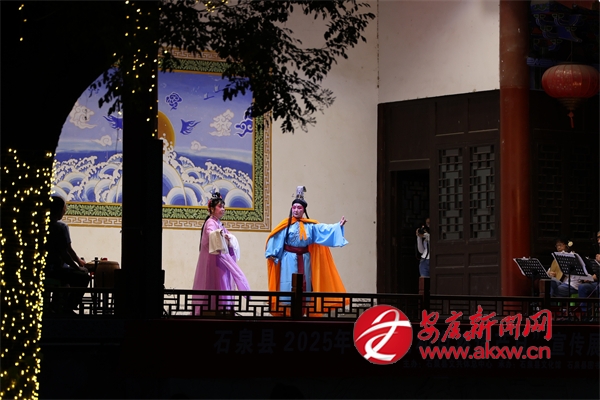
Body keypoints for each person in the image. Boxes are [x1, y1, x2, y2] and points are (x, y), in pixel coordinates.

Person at [265, 186, 348, 312]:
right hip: (288, 259)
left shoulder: (310, 226)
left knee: (306, 283)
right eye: (294, 207)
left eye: (299, 208)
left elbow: (323, 229)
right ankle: (289, 312)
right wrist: (272, 253)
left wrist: (337, 226)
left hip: (305, 258)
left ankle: (302, 311)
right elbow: (276, 237)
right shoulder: (286, 225)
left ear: (303, 210)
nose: (296, 210)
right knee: (288, 283)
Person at [192, 192, 250, 312]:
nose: (223, 209)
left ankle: (223, 309)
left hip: (220, 261)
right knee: (215, 284)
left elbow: (226, 235)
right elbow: (211, 234)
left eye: (223, 206)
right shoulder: (210, 222)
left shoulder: (218, 223)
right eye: (220, 206)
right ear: (212, 209)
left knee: (222, 284)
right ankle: (215, 310)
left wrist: (229, 237)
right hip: (214, 262)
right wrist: (221, 235)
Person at [46, 195, 91, 314]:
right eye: (64, 209)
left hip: (44, 269)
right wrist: (78, 266)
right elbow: (66, 253)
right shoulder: (60, 227)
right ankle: (67, 308)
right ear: (59, 210)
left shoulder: (41, 226)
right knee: (83, 277)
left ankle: (56, 305)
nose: (65, 211)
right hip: (55, 270)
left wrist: (77, 263)